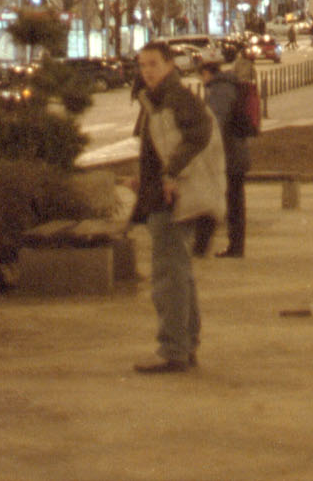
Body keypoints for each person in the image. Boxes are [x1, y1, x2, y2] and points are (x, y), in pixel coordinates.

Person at [128, 40, 226, 374]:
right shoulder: (155, 100)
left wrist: (170, 173)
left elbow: (200, 133)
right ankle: (185, 345)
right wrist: (144, 178)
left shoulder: (175, 98)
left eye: (153, 64)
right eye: (142, 65)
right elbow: (157, 148)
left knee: (169, 275)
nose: (147, 71)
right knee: (178, 272)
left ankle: (173, 350)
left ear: (171, 64)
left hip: (173, 198)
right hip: (160, 193)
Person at [193, 55, 250, 258]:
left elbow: (216, 121)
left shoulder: (219, 89)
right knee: (231, 200)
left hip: (229, 155)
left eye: (201, 76)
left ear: (207, 73)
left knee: (225, 200)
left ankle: (218, 246)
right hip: (234, 152)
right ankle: (232, 246)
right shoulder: (226, 86)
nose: (201, 81)